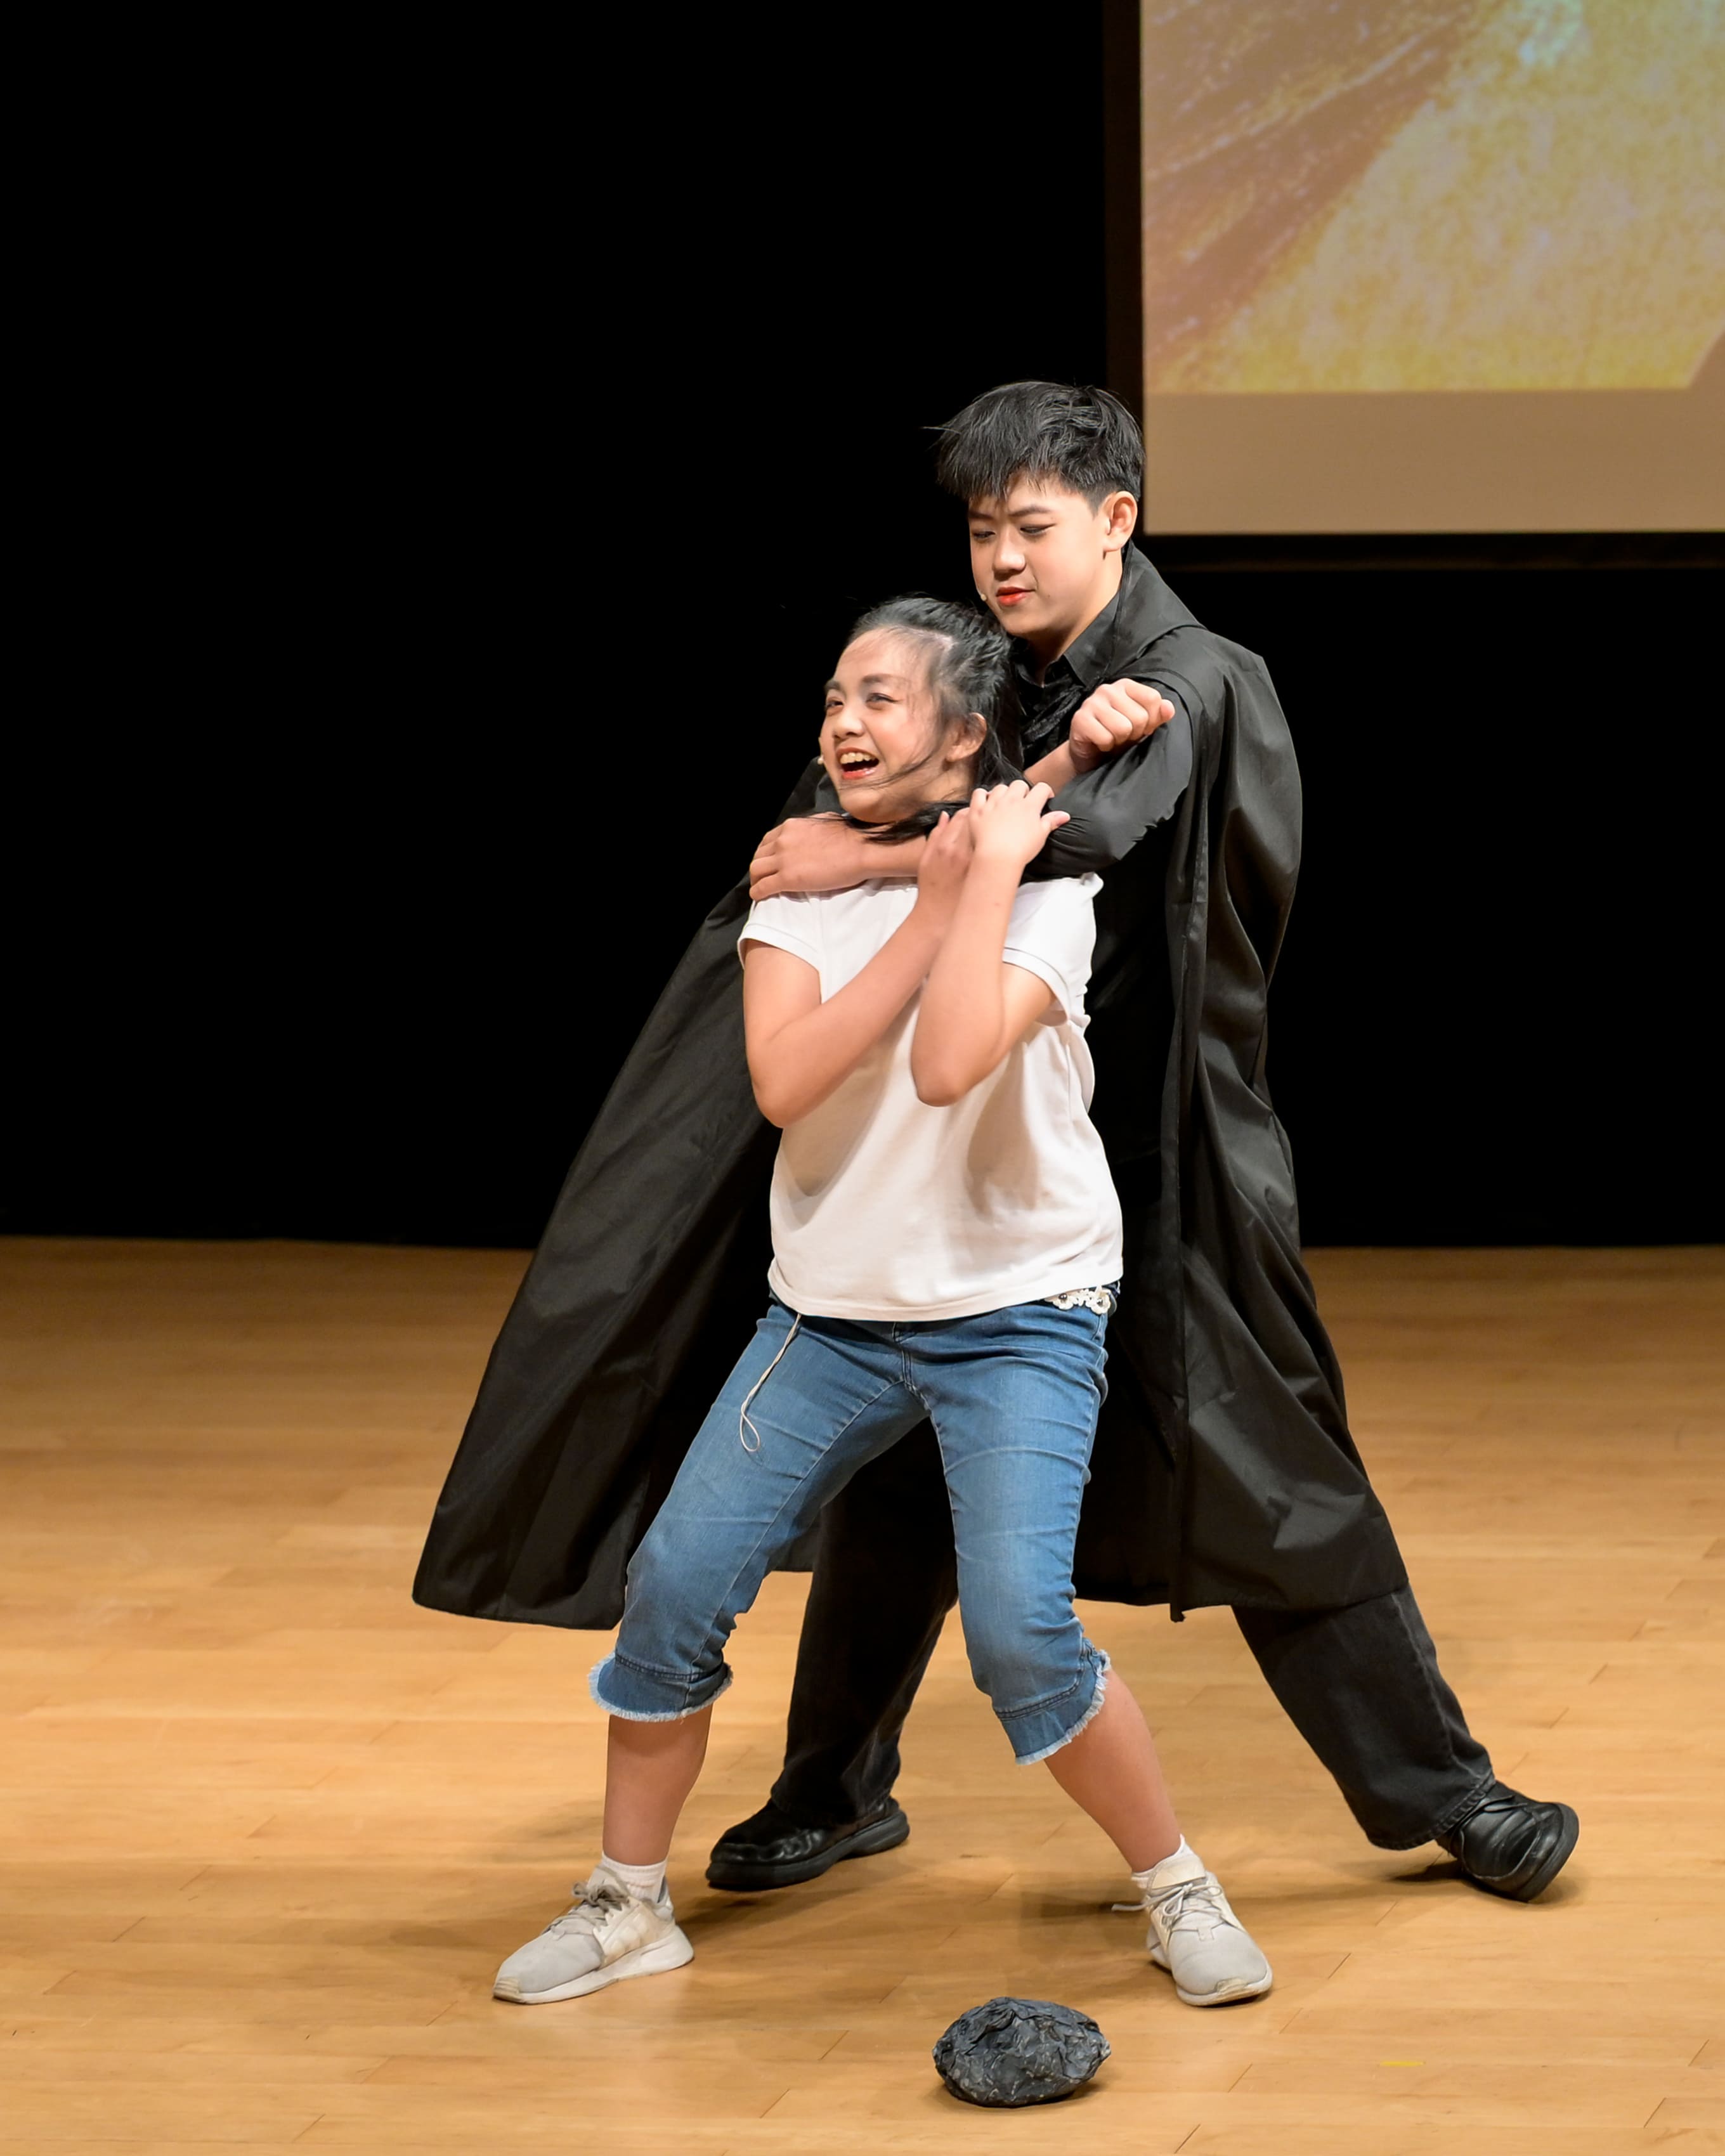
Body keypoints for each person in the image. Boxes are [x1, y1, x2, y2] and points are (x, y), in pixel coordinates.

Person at [413, 383, 1576, 1911]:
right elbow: (873, 832)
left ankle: (1444, 1790)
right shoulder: (974, 679)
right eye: (981, 530)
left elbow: (1075, 839)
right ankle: (831, 1786)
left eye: (1032, 525)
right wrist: (863, 837)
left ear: (1116, 519)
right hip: (956, 1137)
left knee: (1272, 1465)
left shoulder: (1187, 679)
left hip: (1157, 1153)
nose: (1003, 557)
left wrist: (863, 847)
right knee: (894, 1463)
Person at [490, 597, 1273, 2010]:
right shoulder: (795, 886)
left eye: (879, 699)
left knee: (1022, 1636)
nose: (842, 723)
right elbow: (788, 1081)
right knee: (671, 1591)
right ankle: (626, 1902)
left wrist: (974, 876)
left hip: (1022, 1311)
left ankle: (1176, 1885)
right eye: (833, 699)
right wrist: (932, 898)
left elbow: (947, 1060)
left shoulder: (1050, 889)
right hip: (827, 1318)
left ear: (965, 735)